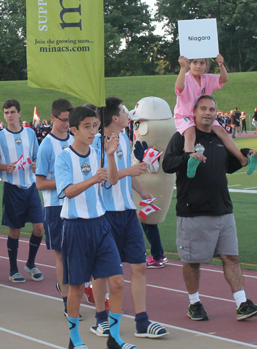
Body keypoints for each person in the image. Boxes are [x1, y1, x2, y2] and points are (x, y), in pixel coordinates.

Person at [162, 95, 257, 322]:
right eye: (203, 109)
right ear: (195, 111)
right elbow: (167, 164)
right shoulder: (182, 137)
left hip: (223, 208)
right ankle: (194, 304)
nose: (208, 113)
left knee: (232, 258)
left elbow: (230, 165)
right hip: (193, 210)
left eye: (212, 109)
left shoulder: (220, 137)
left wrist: (247, 154)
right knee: (192, 261)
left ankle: (242, 304)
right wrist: (188, 158)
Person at [55, 106, 135, 349]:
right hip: (76, 227)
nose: (92, 132)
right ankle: (75, 340)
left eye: (95, 127)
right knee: (77, 286)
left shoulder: (98, 153)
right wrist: (92, 179)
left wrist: (110, 156)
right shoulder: (64, 157)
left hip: (101, 225)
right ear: (74, 130)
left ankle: (115, 338)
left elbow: (110, 179)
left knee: (118, 282)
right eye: (87, 127)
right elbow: (67, 191)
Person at [92, 97, 167, 339]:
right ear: (115, 118)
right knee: (105, 272)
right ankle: (101, 318)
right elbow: (104, 176)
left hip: (127, 212)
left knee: (139, 266)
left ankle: (142, 321)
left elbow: (125, 175)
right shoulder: (96, 143)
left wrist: (142, 191)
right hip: (105, 214)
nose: (129, 114)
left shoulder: (124, 137)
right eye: (125, 111)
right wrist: (129, 171)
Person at [0, 99, 43, 283]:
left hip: (31, 186)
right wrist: (5, 167)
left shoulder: (30, 133)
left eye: (12, 112)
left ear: (20, 113)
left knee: (39, 227)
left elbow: (36, 155)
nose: (9, 116)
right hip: (13, 189)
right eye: (6, 113)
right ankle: (13, 269)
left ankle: (31, 263)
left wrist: (36, 164)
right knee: (15, 231)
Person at [174, 55, 251, 177]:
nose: (198, 66)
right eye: (195, 62)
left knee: (222, 132)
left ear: (206, 65)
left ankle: (241, 158)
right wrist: (182, 68)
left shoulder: (207, 78)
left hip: (203, 115)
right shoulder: (186, 77)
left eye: (202, 63)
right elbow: (179, 87)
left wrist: (221, 65)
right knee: (190, 133)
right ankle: (190, 157)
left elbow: (224, 79)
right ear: (189, 64)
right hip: (185, 115)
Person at [35, 98, 75, 316]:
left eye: (69, 120)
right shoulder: (46, 146)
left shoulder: (75, 140)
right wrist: (68, 184)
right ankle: (67, 300)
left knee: (78, 253)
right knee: (62, 255)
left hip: (77, 205)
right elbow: (40, 182)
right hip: (55, 207)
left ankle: (76, 289)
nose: (67, 124)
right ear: (52, 118)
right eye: (63, 120)